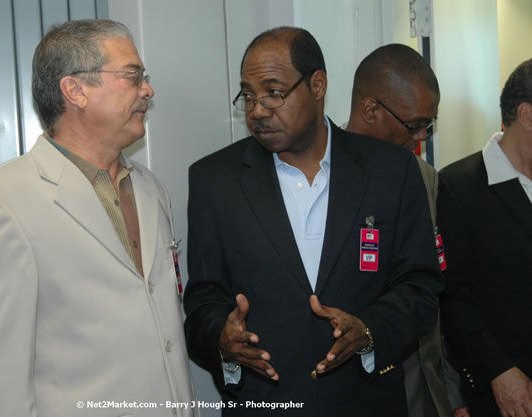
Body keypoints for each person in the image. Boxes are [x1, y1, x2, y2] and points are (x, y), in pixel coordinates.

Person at [183, 27, 442, 417]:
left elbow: (421, 287)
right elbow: (202, 298)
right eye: (249, 95)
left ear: (317, 85)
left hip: (366, 402)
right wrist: (222, 336)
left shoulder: (393, 171)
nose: (257, 110)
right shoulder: (215, 180)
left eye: (273, 91)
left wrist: (369, 330)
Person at [0, 19, 197, 417]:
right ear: (75, 90)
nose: (147, 90)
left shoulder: (150, 189)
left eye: (143, 77)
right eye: (132, 76)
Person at [346, 44, 469, 417]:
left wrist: (453, 396)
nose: (421, 138)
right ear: (370, 110)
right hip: (353, 391)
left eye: (428, 126)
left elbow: (437, 294)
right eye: (414, 125)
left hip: (423, 392)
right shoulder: (321, 177)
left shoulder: (426, 180)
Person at [438, 58, 532, 417]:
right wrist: (499, 371)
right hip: (501, 391)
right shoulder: (459, 186)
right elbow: (452, 297)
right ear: (527, 114)